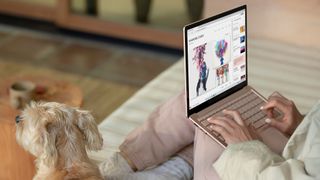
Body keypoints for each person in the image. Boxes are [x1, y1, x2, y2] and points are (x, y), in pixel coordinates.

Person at [100, 91, 320, 180]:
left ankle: (120, 167)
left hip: (265, 171)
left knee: (203, 108)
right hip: (289, 159)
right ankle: (128, 162)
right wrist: (303, 127)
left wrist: (249, 149)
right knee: (205, 100)